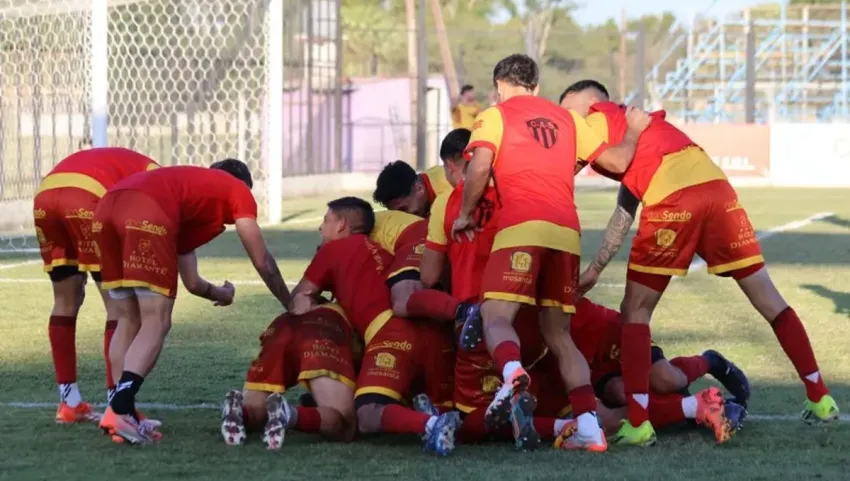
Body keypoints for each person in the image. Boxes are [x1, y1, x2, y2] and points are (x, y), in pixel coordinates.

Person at [559, 79, 840, 447]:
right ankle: (820, 397)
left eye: (567, 108)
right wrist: (595, 269)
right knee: (768, 298)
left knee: (635, 312)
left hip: (674, 197)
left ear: (591, 102)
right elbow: (624, 211)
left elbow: (558, 167)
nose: (562, 116)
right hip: (717, 190)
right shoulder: (635, 129)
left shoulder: (590, 121)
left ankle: (639, 425)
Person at [423, 163, 746, 450]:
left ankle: (709, 362)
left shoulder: (517, 211)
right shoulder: (455, 206)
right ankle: (693, 406)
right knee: (614, 401)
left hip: (592, 330)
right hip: (557, 351)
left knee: (666, 379)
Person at [452, 53, 650, 451]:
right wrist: (632, 131)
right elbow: (617, 161)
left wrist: (465, 214)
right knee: (559, 335)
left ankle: (512, 372)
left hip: (521, 228)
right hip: (567, 234)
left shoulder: (495, 115)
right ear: (537, 86)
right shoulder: (569, 120)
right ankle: (590, 429)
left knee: (495, 316)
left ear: (499, 86)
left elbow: (479, 167)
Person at [93, 159, 292, 445]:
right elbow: (263, 261)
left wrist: (220, 294)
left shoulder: (186, 195)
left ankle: (120, 410)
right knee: (156, 320)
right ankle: (121, 409)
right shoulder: (236, 189)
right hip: (145, 211)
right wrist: (289, 302)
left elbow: (192, 281)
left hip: (105, 208)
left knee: (128, 318)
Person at [288, 197, 462, 456]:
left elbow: (297, 298)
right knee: (456, 412)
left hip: (393, 336)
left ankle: (430, 425)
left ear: (341, 225)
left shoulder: (334, 250)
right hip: (437, 335)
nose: (321, 227)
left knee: (366, 415)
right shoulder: (383, 250)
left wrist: (311, 303)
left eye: (326, 220)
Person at [32, 147, 159, 423]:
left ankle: (69, 403)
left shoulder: (130, 162)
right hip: (87, 199)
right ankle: (117, 407)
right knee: (120, 309)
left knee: (65, 300)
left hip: (45, 196)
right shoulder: (158, 175)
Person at [220, 302, 357, 449]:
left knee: (254, 409)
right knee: (345, 425)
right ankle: (288, 414)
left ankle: (240, 412)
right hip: (323, 327)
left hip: (283, 324)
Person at [372, 130, 463, 217]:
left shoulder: (452, 184)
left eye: (404, 209)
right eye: (398, 215)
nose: (404, 217)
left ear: (419, 188)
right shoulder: (425, 184)